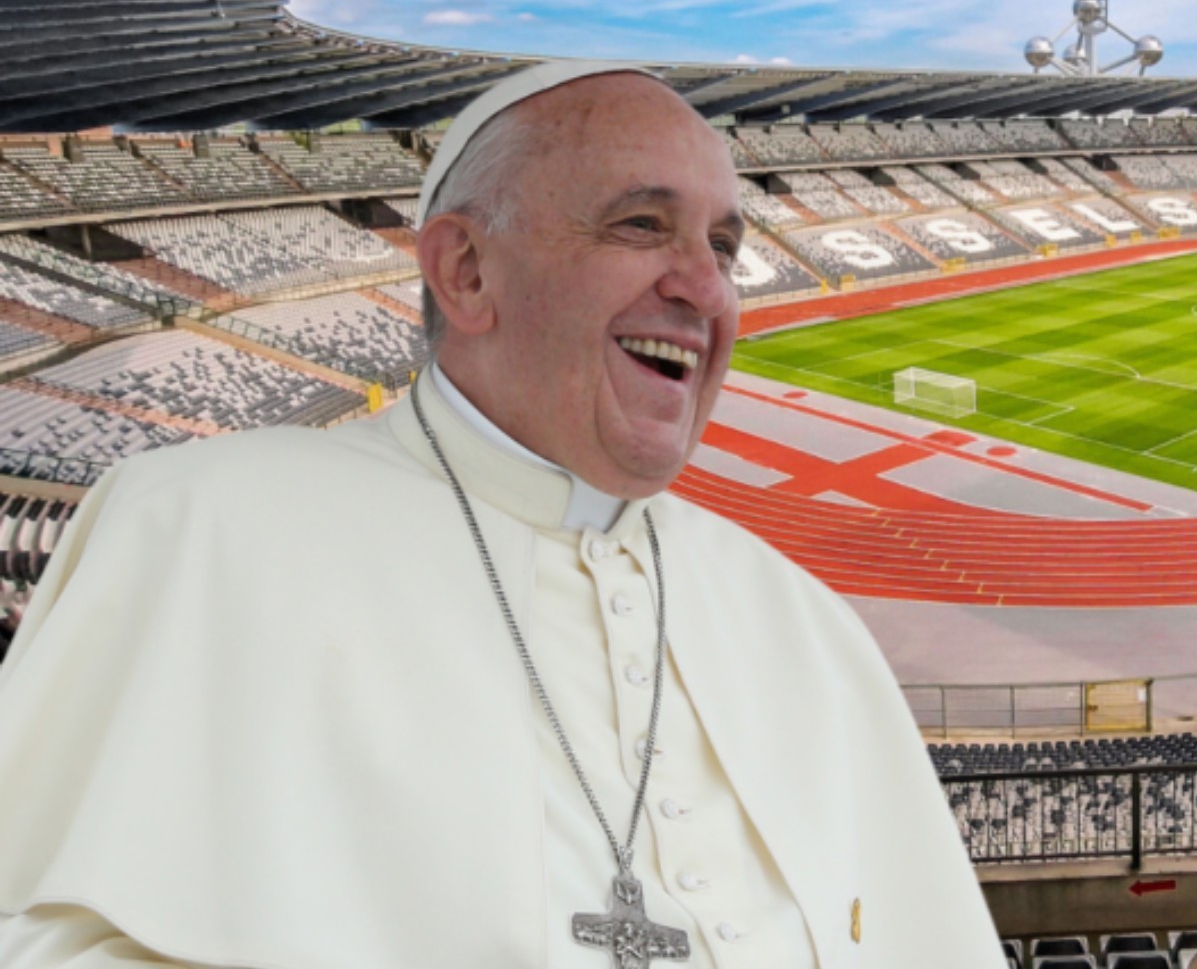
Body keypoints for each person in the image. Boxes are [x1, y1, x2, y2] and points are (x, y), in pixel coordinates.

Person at [0, 62, 1005, 968]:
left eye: (727, 244)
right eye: (642, 225)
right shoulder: (201, 529)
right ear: (466, 272)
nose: (707, 288)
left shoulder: (803, 620)